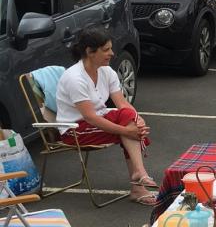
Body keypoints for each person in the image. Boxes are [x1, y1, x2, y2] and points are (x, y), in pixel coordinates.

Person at [55, 26, 156, 206]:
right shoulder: (74, 78)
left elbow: (122, 104)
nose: (112, 53)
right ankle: (138, 184)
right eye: (106, 50)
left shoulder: (107, 71)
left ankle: (139, 176)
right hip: (75, 130)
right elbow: (90, 117)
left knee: (130, 118)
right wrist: (128, 129)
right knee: (130, 129)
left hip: (96, 121)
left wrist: (136, 118)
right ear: (90, 52)